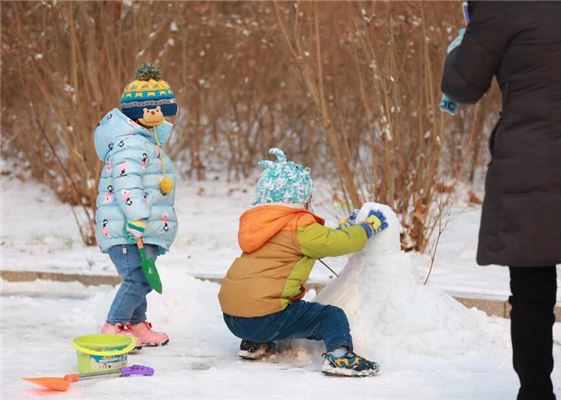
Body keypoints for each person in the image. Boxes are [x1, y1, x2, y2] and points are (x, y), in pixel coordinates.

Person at [441, 2, 561, 399]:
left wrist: (466, 36)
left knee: (531, 298)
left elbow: (462, 84)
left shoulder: (502, 6)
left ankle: (535, 393)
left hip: (531, 170)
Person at [218, 148, 386, 376]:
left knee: (260, 294)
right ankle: (339, 357)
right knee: (330, 316)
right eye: (308, 197)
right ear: (298, 199)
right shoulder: (298, 225)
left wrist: (343, 229)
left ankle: (253, 343)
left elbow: (321, 242)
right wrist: (366, 228)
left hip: (233, 317)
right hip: (265, 317)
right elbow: (338, 243)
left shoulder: (262, 226)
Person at [94, 63, 179, 348]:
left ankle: (136, 324)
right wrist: (138, 216)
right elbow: (126, 182)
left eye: (163, 109)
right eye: (154, 110)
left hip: (138, 227)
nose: (160, 115)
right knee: (138, 279)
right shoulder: (130, 144)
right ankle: (114, 327)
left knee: (141, 276)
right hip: (128, 227)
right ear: (140, 113)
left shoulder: (144, 140)